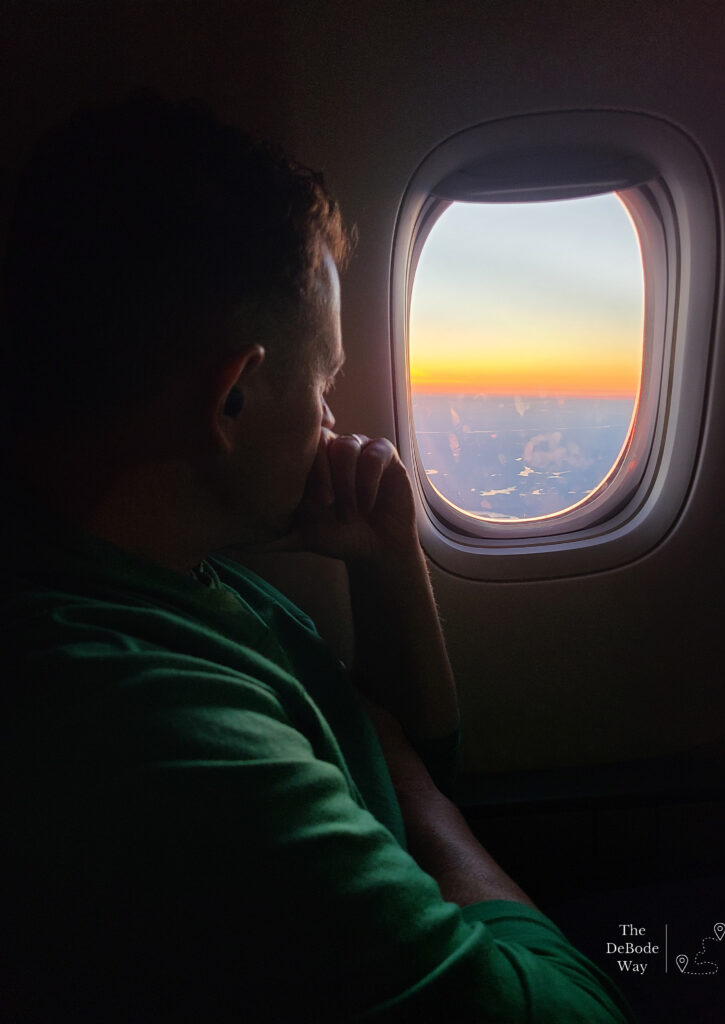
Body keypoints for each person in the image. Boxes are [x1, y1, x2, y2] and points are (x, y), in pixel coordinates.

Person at [0, 93, 633, 1022]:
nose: (336, 423)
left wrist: (387, 562)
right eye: (325, 381)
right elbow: (577, 1013)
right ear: (233, 401)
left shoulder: (170, 570)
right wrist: (405, 780)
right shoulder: (151, 735)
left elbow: (402, 765)